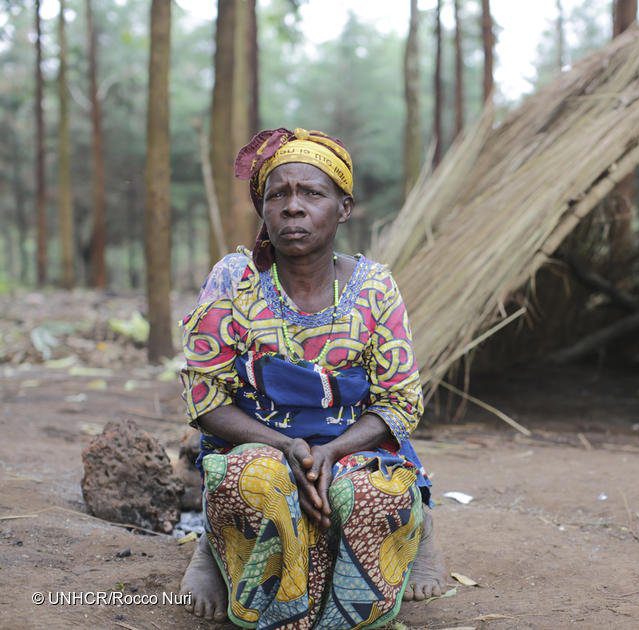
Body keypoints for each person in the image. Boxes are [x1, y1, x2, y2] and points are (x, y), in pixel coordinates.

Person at [178, 128, 446, 629]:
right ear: (263, 209)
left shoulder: (374, 287)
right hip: (257, 443)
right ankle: (212, 547)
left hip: (351, 445)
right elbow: (204, 398)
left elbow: (402, 402)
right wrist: (285, 446)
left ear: (343, 208)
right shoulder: (232, 280)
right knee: (253, 480)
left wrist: (331, 451)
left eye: (312, 194)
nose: (292, 207)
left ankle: (420, 528)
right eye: (277, 194)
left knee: (369, 492)